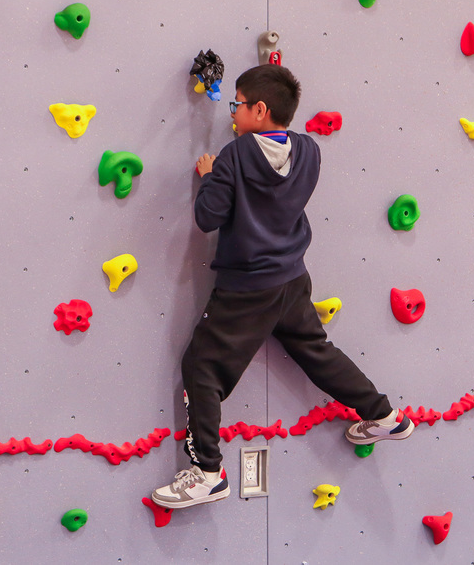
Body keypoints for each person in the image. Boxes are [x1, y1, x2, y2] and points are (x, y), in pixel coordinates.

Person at [151, 65, 413, 509]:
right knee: (316, 352)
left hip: (248, 288)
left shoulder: (234, 157)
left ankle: (208, 473)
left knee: (202, 366)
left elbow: (207, 218)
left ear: (259, 109)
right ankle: (383, 414)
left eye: (238, 105)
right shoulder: (309, 151)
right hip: (292, 279)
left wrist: (212, 175)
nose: (233, 114)